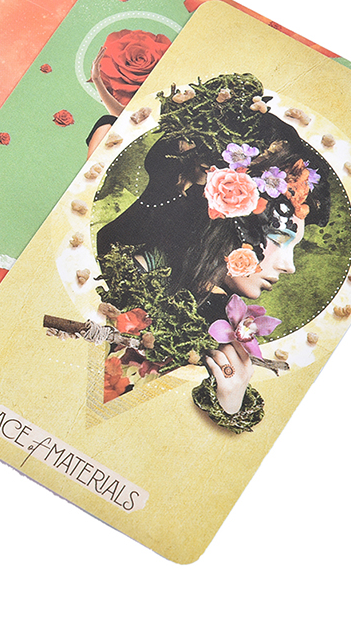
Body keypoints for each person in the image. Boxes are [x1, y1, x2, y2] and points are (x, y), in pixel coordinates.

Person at [95, 72, 331, 431]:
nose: (289, 266)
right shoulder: (127, 273)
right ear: (230, 222)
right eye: (278, 239)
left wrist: (231, 404)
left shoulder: (225, 327)